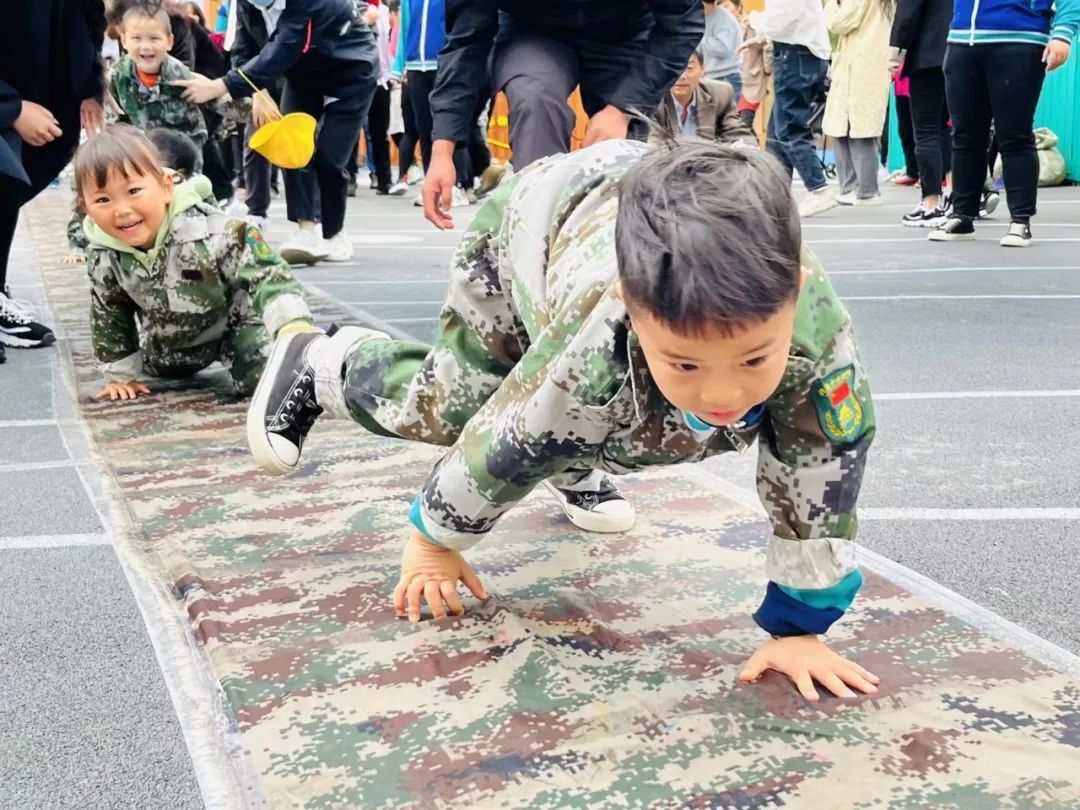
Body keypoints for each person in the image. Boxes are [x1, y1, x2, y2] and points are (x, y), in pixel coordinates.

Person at [247, 138, 880, 703]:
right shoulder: (595, 338)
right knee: (459, 402)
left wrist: (799, 630)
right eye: (684, 364)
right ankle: (324, 362)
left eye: (753, 358)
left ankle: (582, 460)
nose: (723, 393)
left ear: (793, 294)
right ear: (631, 309)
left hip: (630, 225)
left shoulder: (814, 336)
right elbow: (512, 436)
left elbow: (822, 472)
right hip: (532, 223)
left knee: (606, 415)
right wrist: (435, 542)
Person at [75, 125, 312, 400]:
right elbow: (109, 311)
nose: (122, 210)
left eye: (134, 191)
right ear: (85, 207)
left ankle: (316, 355)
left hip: (235, 327)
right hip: (171, 341)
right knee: (161, 369)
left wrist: (292, 323)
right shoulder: (104, 255)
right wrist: (120, 375)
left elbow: (267, 272)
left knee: (270, 378)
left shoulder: (217, 231)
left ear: (165, 187)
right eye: (103, 199)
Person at [421, 0, 704, 230]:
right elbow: (466, 41)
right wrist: (442, 150)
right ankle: (538, 240)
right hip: (533, 31)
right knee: (535, 99)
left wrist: (622, 109)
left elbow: (682, 26)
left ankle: (625, 259)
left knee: (623, 154)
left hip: (625, 30)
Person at [177, 0, 379, 266]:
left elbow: (285, 46)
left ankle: (334, 234)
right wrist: (257, 92)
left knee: (330, 156)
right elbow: (242, 48)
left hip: (351, 71)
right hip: (303, 75)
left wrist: (221, 86)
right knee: (291, 145)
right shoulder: (248, 4)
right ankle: (306, 231)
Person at [0, 0, 106, 360]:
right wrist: (10, 108)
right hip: (11, 96)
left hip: (41, 92)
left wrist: (91, 86)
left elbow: (89, 18)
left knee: (13, 180)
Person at [929, 0, 1077, 246]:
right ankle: (962, 215)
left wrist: (1063, 33)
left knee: (1014, 134)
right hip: (962, 40)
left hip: (1020, 40)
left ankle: (1020, 220)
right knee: (965, 135)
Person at [747, 0, 836, 218]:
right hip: (803, 54)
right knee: (777, 132)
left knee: (789, 129)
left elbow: (780, 19)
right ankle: (775, 197)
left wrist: (754, 20)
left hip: (796, 55)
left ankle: (818, 188)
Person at [822, 0, 895, 206]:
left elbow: (841, 22)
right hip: (865, 64)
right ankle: (854, 188)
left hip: (859, 65)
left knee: (856, 129)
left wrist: (830, 5)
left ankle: (864, 190)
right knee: (848, 127)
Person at [889, 0, 952, 227]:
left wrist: (895, 51)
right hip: (959, 50)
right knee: (947, 125)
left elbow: (908, 13)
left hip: (927, 54)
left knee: (926, 131)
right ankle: (953, 195)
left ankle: (931, 203)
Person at [655, 49, 756, 144]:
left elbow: (737, 132)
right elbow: (652, 145)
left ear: (703, 69)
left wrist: (749, 148)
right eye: (674, 67)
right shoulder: (650, 101)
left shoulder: (720, 93)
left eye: (689, 68)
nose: (681, 76)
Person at [701, 0, 745, 98]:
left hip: (725, 77)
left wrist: (694, 39)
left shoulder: (724, 18)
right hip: (708, 77)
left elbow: (722, 48)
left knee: (725, 113)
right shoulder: (701, 17)